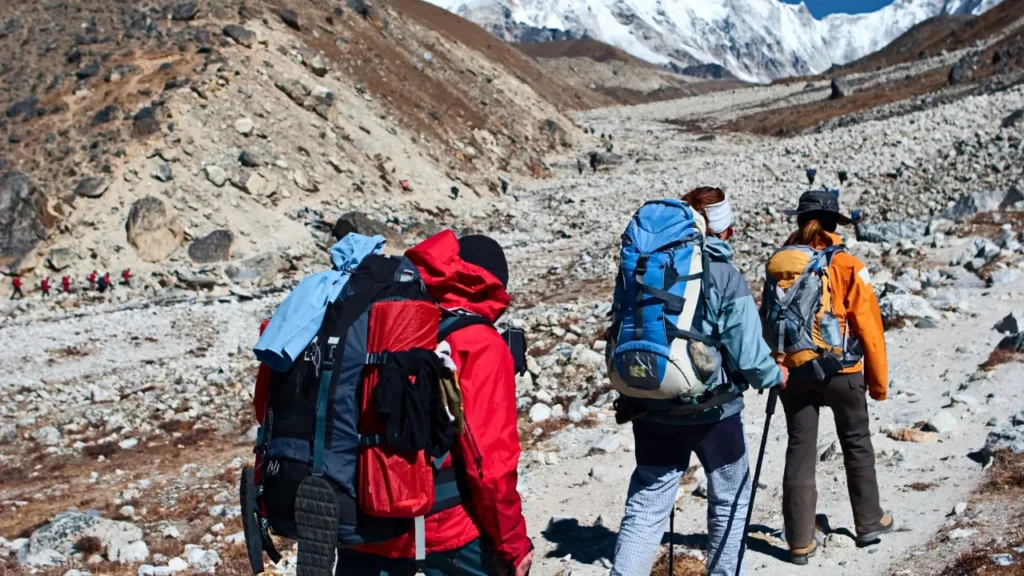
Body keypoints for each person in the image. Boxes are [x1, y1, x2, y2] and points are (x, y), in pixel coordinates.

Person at [610, 188, 786, 576]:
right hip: (713, 411)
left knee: (648, 504)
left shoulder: (641, 268)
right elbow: (750, 355)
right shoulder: (722, 274)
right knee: (730, 498)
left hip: (649, 401)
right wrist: (776, 374)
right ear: (724, 231)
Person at [338, 230, 534, 576]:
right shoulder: (477, 341)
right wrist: (514, 545)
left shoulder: (375, 317)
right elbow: (488, 464)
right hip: (440, 526)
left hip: (362, 516)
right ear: (493, 287)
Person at [766, 190, 892, 565]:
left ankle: (800, 541)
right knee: (856, 441)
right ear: (834, 223)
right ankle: (869, 521)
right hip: (842, 370)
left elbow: (769, 320)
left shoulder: (778, 264)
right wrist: (878, 384)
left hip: (794, 369)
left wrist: (777, 364)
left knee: (800, 447)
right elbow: (869, 327)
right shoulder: (848, 265)